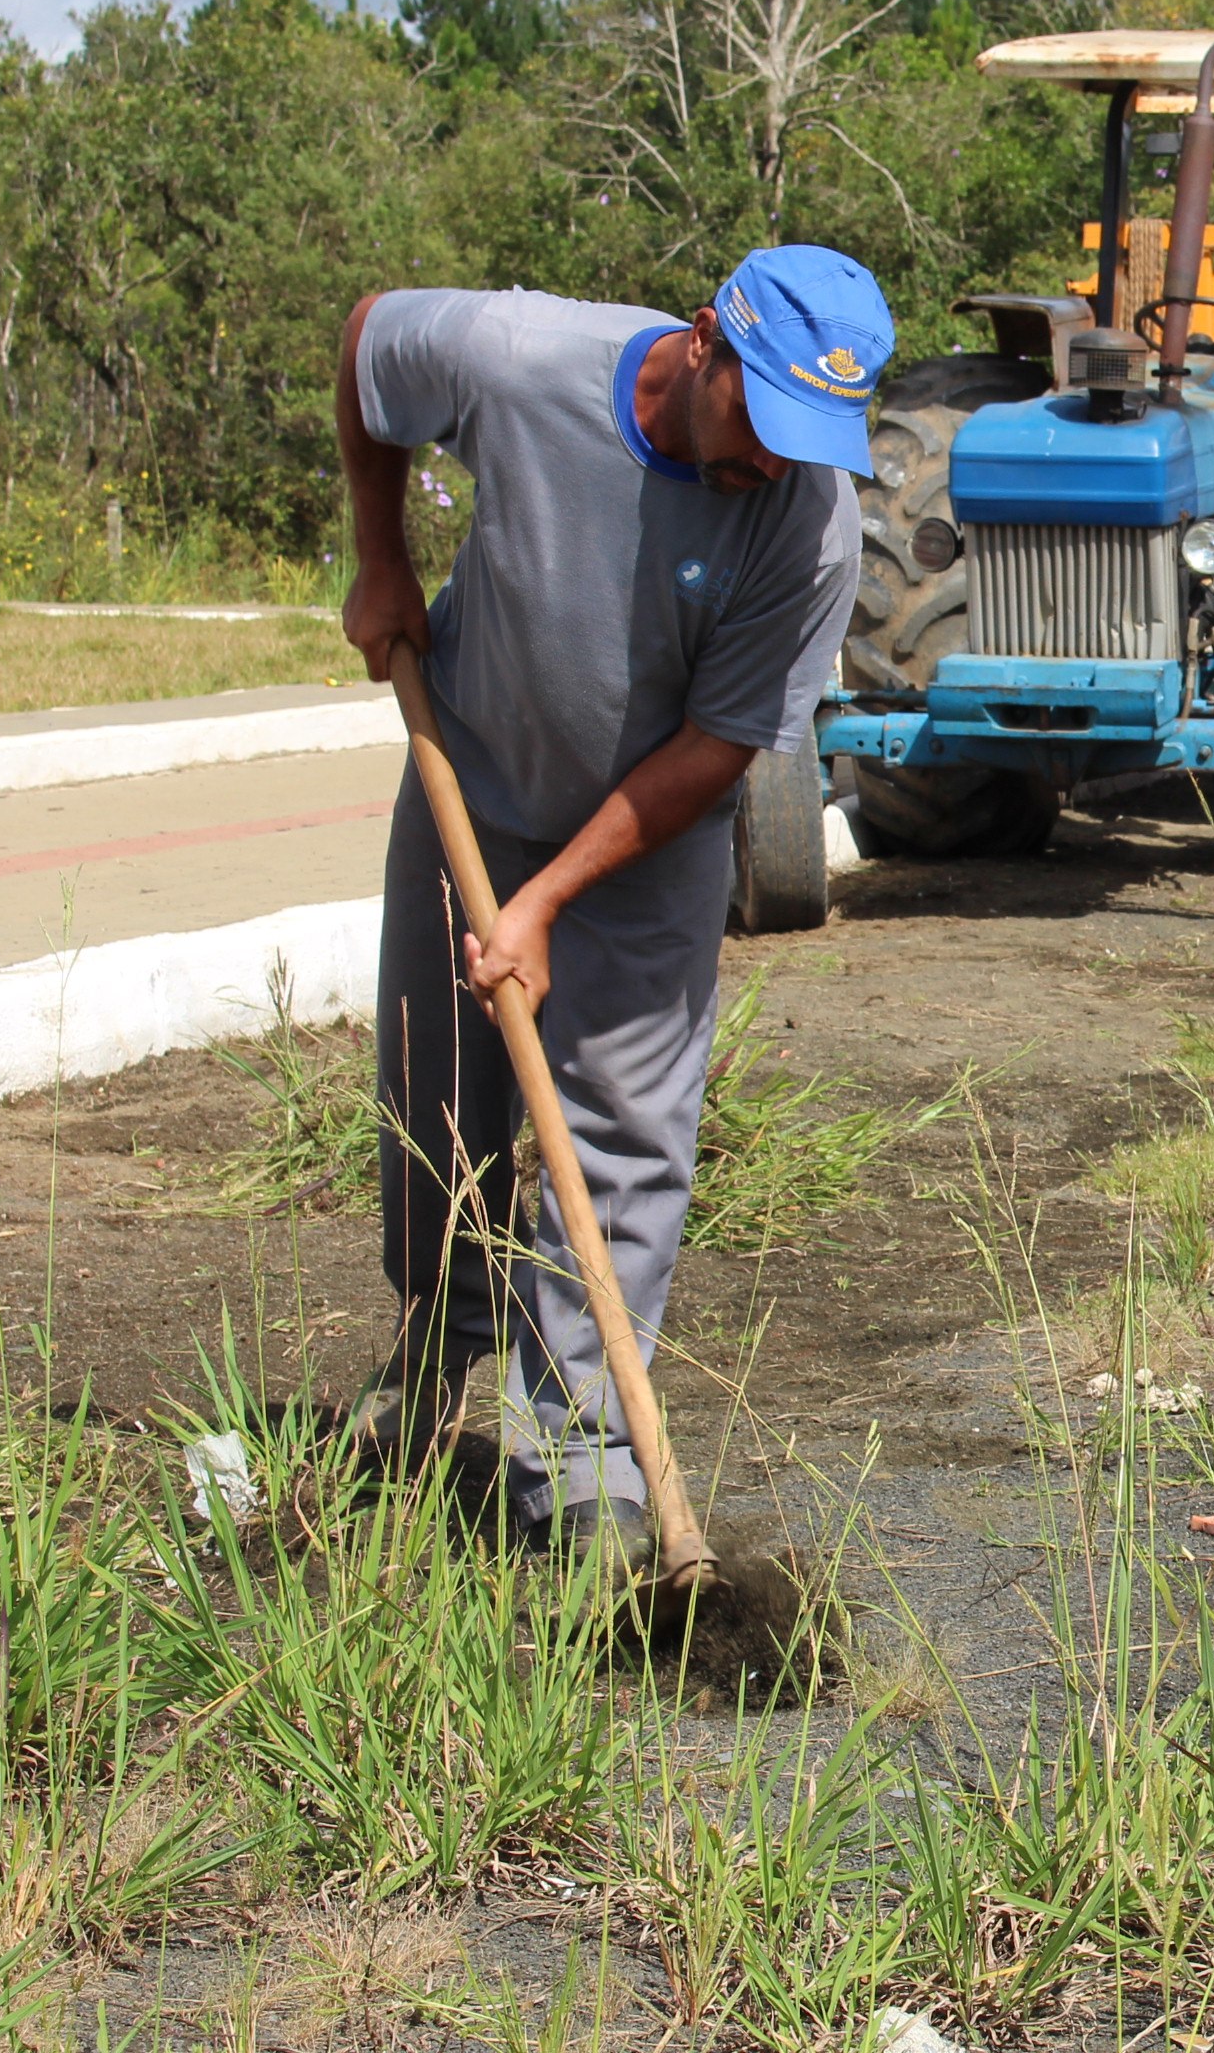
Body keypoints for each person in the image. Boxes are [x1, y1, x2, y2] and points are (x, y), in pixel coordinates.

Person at [335, 246, 886, 1566]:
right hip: (473, 776)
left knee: (625, 1141)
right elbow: (366, 349)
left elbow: (715, 752)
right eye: (763, 418)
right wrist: (380, 561)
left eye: (815, 437)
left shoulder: (811, 526)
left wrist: (548, 901)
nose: (775, 462)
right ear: (705, 342)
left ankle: (579, 1460)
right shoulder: (518, 360)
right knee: (434, 1102)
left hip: (647, 841)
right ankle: (435, 1353)